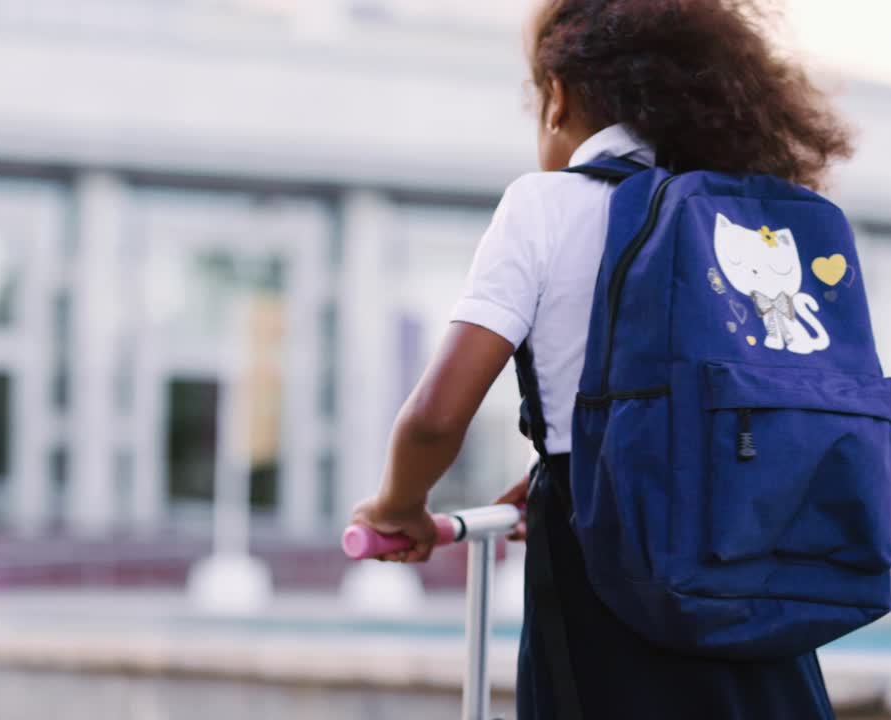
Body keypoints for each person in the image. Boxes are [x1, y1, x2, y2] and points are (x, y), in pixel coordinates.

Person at [351, 1, 854, 717]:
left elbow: (436, 416)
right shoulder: (755, 217)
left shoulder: (543, 206)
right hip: (749, 554)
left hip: (603, 564)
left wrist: (398, 505)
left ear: (558, 96)